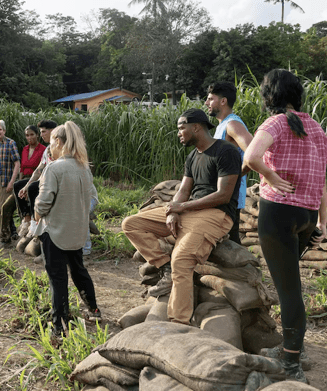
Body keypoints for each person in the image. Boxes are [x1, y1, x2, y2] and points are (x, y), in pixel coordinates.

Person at [243, 69, 327, 383]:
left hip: (278, 214)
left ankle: (291, 363)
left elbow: (251, 155)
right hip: (306, 215)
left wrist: (272, 176)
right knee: (291, 285)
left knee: (290, 291)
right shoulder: (316, 128)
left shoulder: (275, 123)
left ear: (271, 96)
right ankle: (296, 348)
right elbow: (322, 180)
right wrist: (323, 222)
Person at [121, 108, 240, 325]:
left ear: (196, 127)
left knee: (182, 259)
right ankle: (163, 265)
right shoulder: (193, 156)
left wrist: (182, 207)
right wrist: (174, 210)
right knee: (131, 223)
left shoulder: (226, 151)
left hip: (216, 215)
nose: (179, 133)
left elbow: (223, 195)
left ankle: (178, 322)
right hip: (190, 211)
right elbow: (183, 189)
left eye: (181, 128)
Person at [34, 121, 100, 336]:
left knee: (58, 279)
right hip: (77, 233)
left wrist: (36, 211)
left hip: (54, 232)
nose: (50, 147)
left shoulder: (54, 168)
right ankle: (94, 309)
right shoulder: (84, 168)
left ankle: (58, 326)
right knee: (79, 270)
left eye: (52, 142)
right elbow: (92, 200)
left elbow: (43, 203)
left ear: (59, 142)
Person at [205, 82, 253, 244]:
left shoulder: (233, 125)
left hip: (228, 198)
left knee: (231, 246)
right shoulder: (222, 126)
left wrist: (235, 176)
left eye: (211, 99)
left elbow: (253, 153)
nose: (206, 103)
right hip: (220, 195)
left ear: (223, 101)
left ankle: (246, 270)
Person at [7, 125, 46, 235]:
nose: (29, 138)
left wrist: (27, 186)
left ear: (37, 135)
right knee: (7, 205)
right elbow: (22, 168)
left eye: (32, 135)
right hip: (23, 179)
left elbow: (41, 169)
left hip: (36, 179)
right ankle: (25, 219)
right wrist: (21, 184)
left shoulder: (43, 150)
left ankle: (33, 222)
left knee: (31, 192)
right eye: (27, 135)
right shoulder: (25, 149)